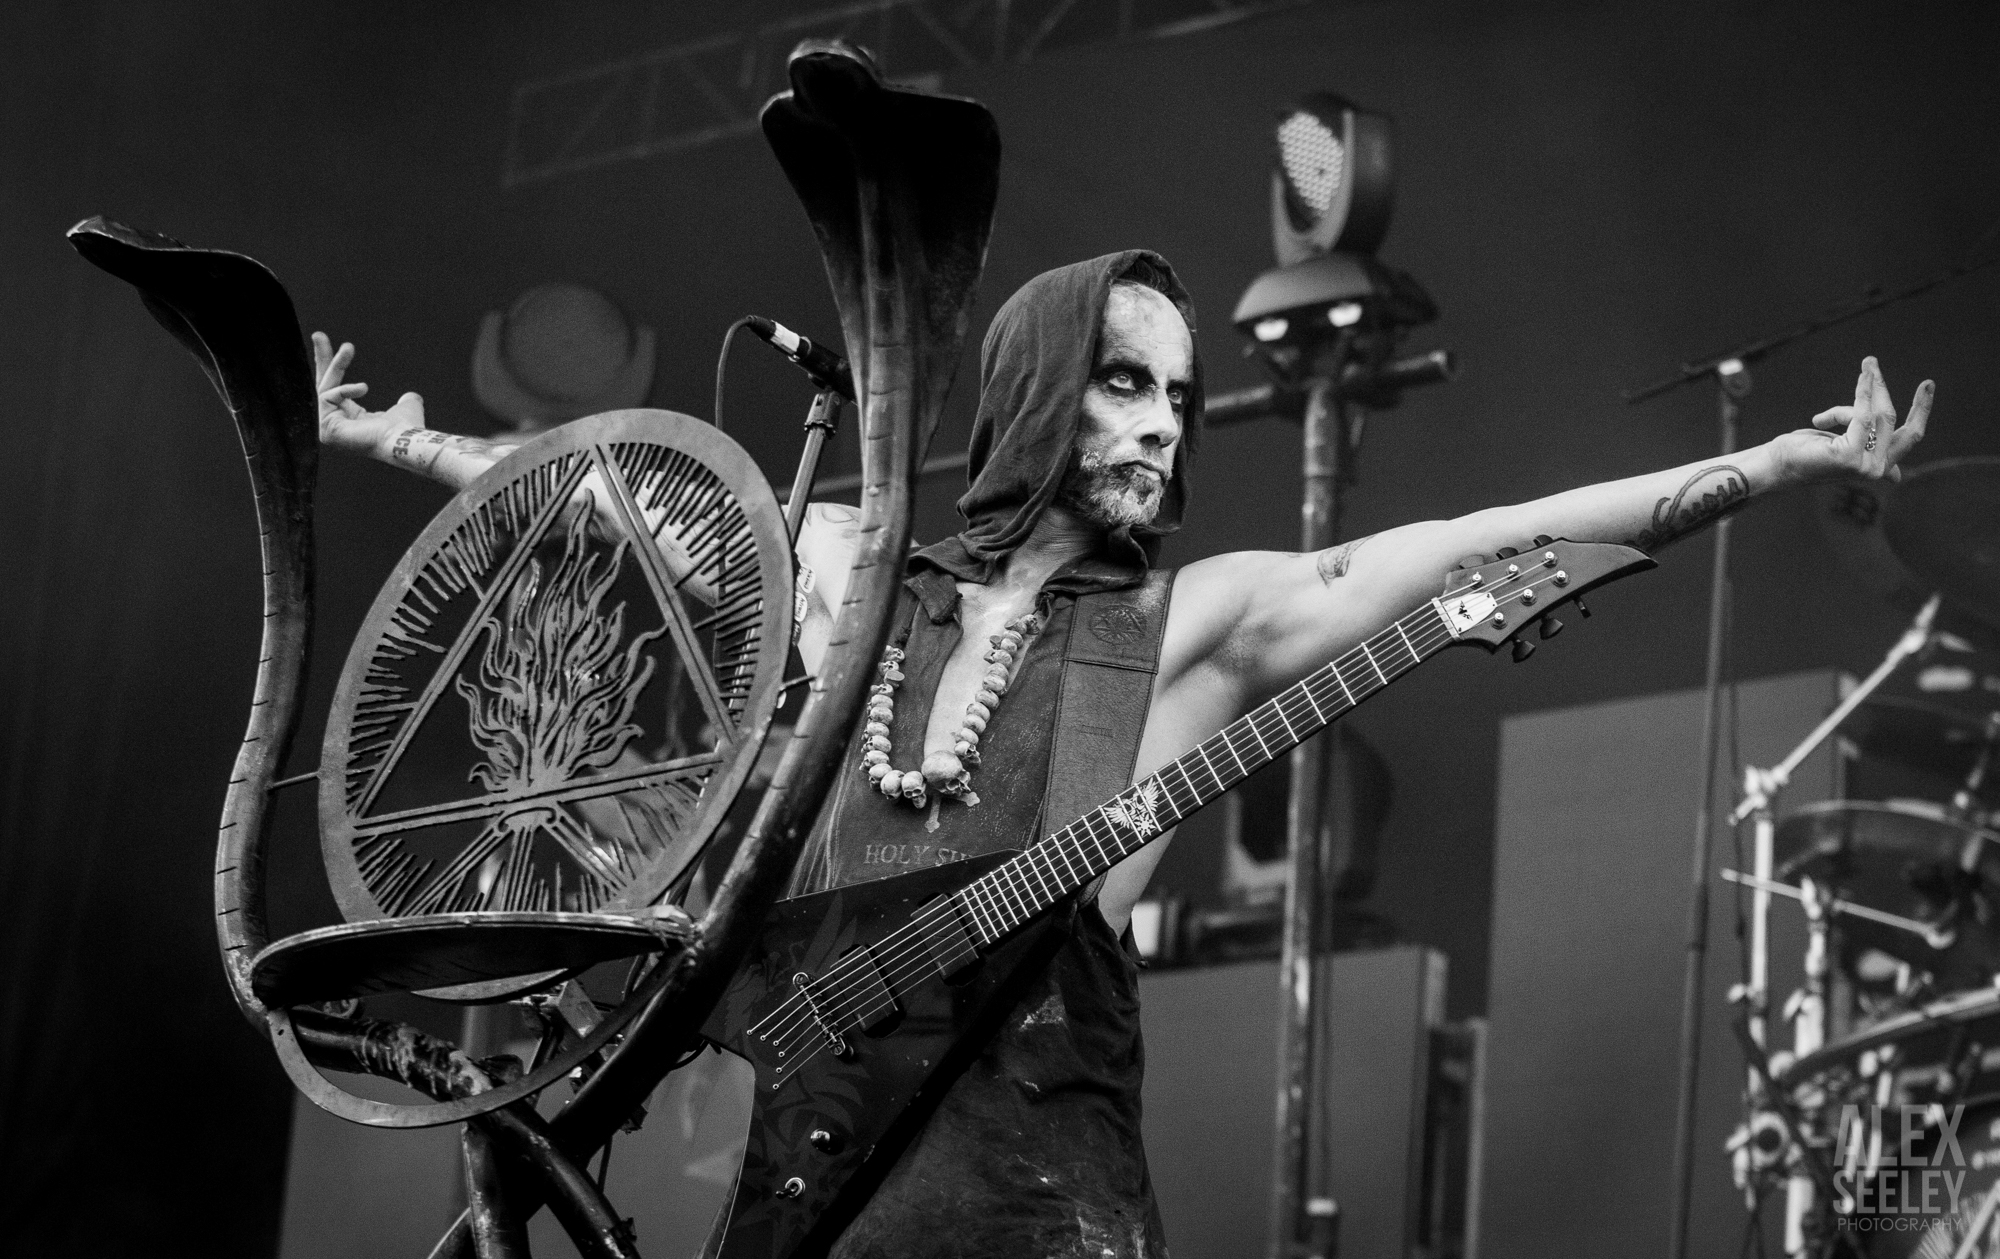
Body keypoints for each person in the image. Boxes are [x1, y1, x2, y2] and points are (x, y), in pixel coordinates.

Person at [316, 250, 1933, 1258]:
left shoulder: (1184, 625)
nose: (1165, 421)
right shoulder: (851, 572)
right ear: (1037, 392)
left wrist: (1773, 465)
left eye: (1179, 393)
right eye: (1123, 381)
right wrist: (403, 443)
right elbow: (636, 503)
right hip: (808, 1196)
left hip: (1038, 1197)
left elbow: (1466, 546)